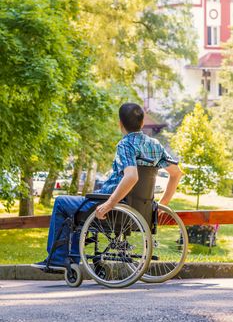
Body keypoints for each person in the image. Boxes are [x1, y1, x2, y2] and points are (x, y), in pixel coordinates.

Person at [32, 102, 183, 270]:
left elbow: (132, 176)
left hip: (111, 204)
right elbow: (176, 174)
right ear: (142, 123)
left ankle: (59, 259)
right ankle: (70, 258)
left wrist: (109, 204)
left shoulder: (125, 145)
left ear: (120, 123)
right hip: (139, 209)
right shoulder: (154, 145)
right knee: (76, 207)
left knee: (61, 203)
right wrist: (162, 206)